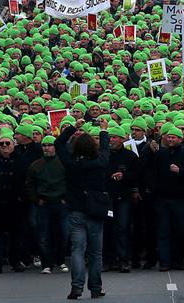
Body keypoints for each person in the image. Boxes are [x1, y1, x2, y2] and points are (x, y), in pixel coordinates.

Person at [56, 119, 110, 300]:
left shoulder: (71, 163)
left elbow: (58, 143)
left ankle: (76, 287)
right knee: (95, 253)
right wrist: (103, 131)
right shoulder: (101, 162)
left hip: (76, 210)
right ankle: (96, 288)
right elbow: (105, 149)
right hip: (95, 210)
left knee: (77, 250)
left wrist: (74, 127)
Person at [143, 125, 184, 272]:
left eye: (174, 137)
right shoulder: (161, 154)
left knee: (180, 229)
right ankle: (165, 262)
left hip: (179, 198)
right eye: (169, 137)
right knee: (163, 230)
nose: (170, 139)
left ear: (180, 138)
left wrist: (180, 171)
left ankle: (178, 260)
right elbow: (152, 172)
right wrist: (155, 187)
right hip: (162, 198)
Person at [0, 129, 30, 274]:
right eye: (1, 144)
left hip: (15, 203)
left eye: (7, 143)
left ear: (13, 144)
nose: (5, 146)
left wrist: (22, 197)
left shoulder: (21, 159)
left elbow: (27, 180)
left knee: (16, 234)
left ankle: (15, 261)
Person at [26, 135, 69, 274]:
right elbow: (30, 185)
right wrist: (37, 200)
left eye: (49, 145)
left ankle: (61, 260)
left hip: (60, 203)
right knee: (44, 235)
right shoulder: (36, 165)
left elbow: (70, 181)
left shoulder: (63, 163)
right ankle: (47, 263)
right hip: (44, 204)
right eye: (44, 145)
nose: (46, 148)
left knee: (63, 233)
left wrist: (65, 198)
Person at [104, 127, 139, 273]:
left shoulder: (130, 156)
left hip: (123, 198)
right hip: (107, 198)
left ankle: (124, 259)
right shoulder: (103, 155)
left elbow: (138, 174)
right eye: (110, 137)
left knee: (122, 228)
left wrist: (124, 176)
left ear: (122, 139)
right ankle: (109, 261)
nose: (111, 140)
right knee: (108, 229)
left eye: (114, 137)